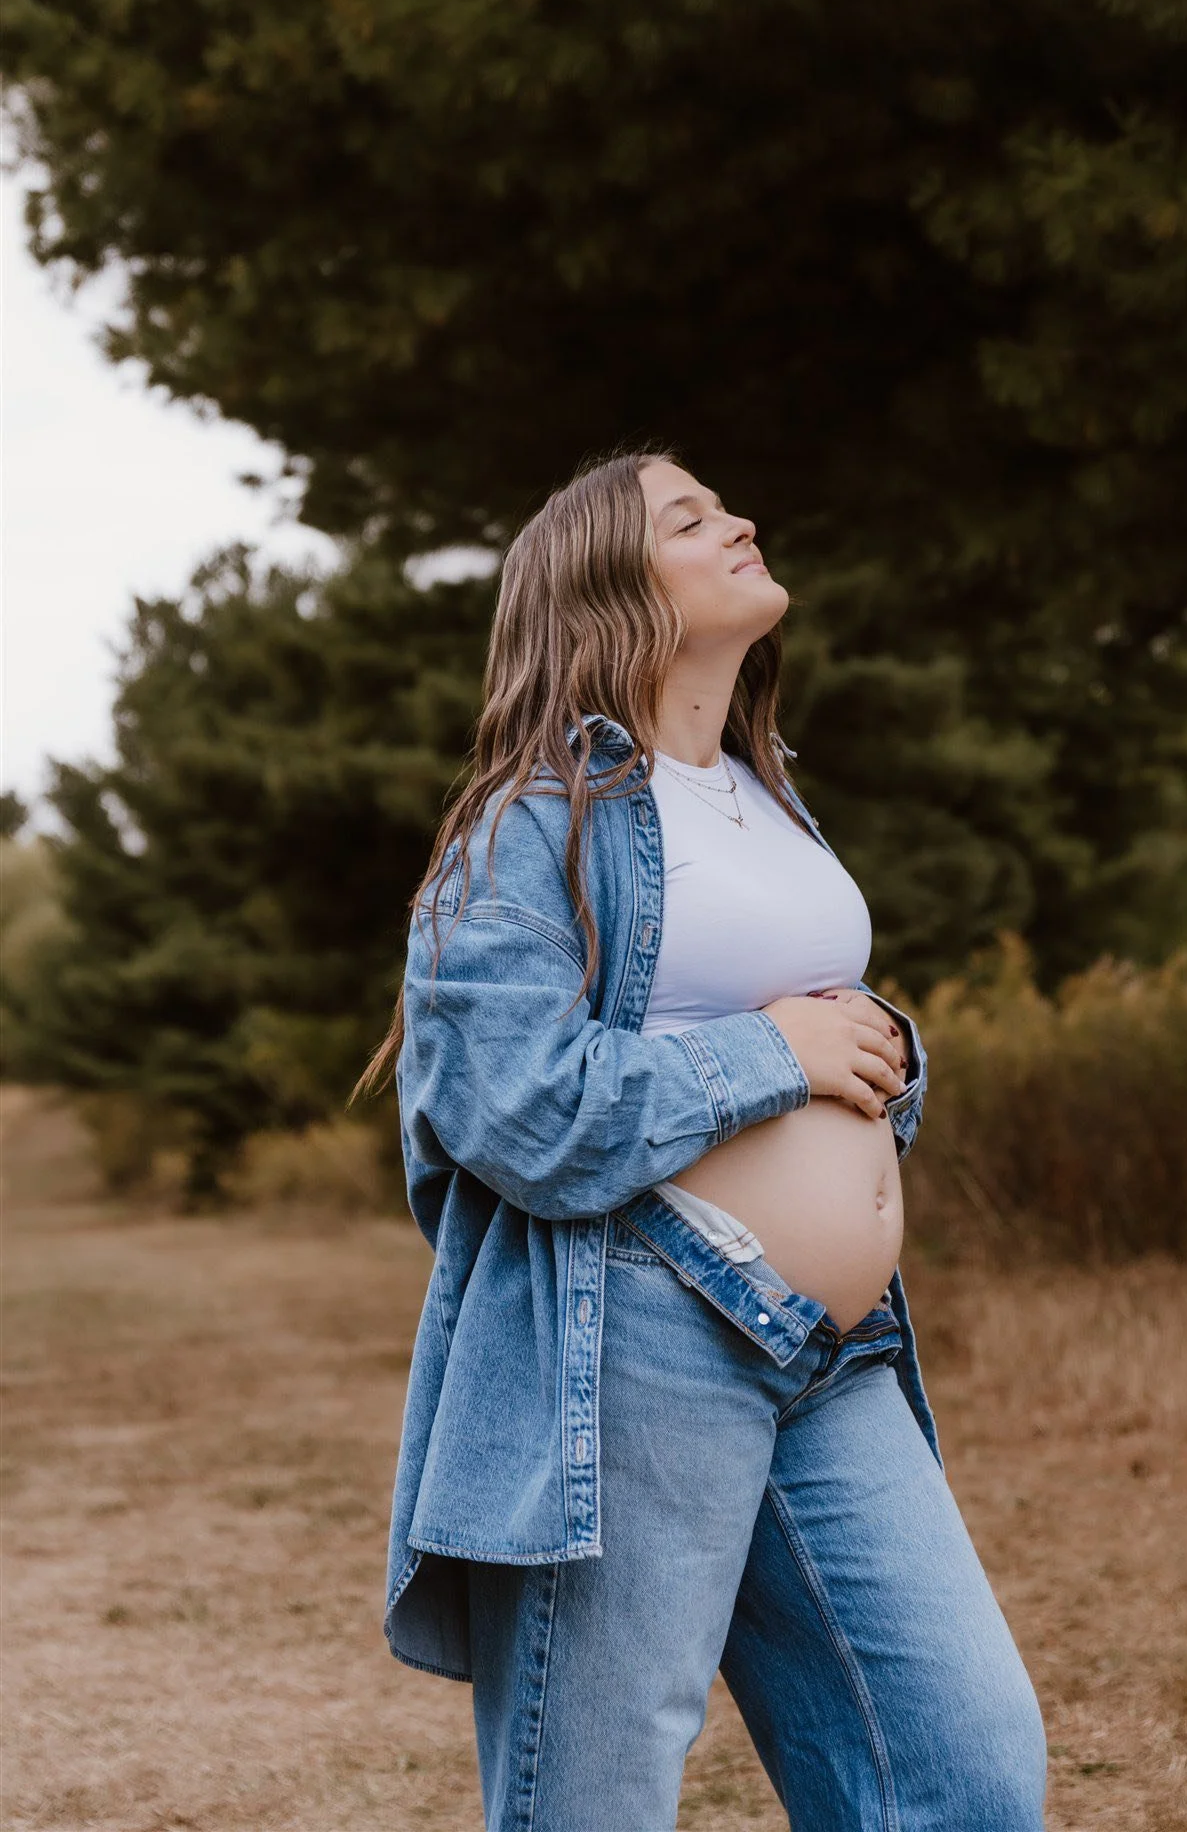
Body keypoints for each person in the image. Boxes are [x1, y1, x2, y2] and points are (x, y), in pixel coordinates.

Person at [354, 448, 1047, 1830]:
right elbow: (514, 1110)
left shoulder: (761, 789)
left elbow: (800, 1031)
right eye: (690, 516)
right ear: (611, 585)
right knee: (597, 1797)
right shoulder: (529, 825)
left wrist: (881, 1056)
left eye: (727, 502)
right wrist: (772, 1056)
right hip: (641, 1330)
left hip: (835, 1353)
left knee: (961, 1768)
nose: (739, 518)